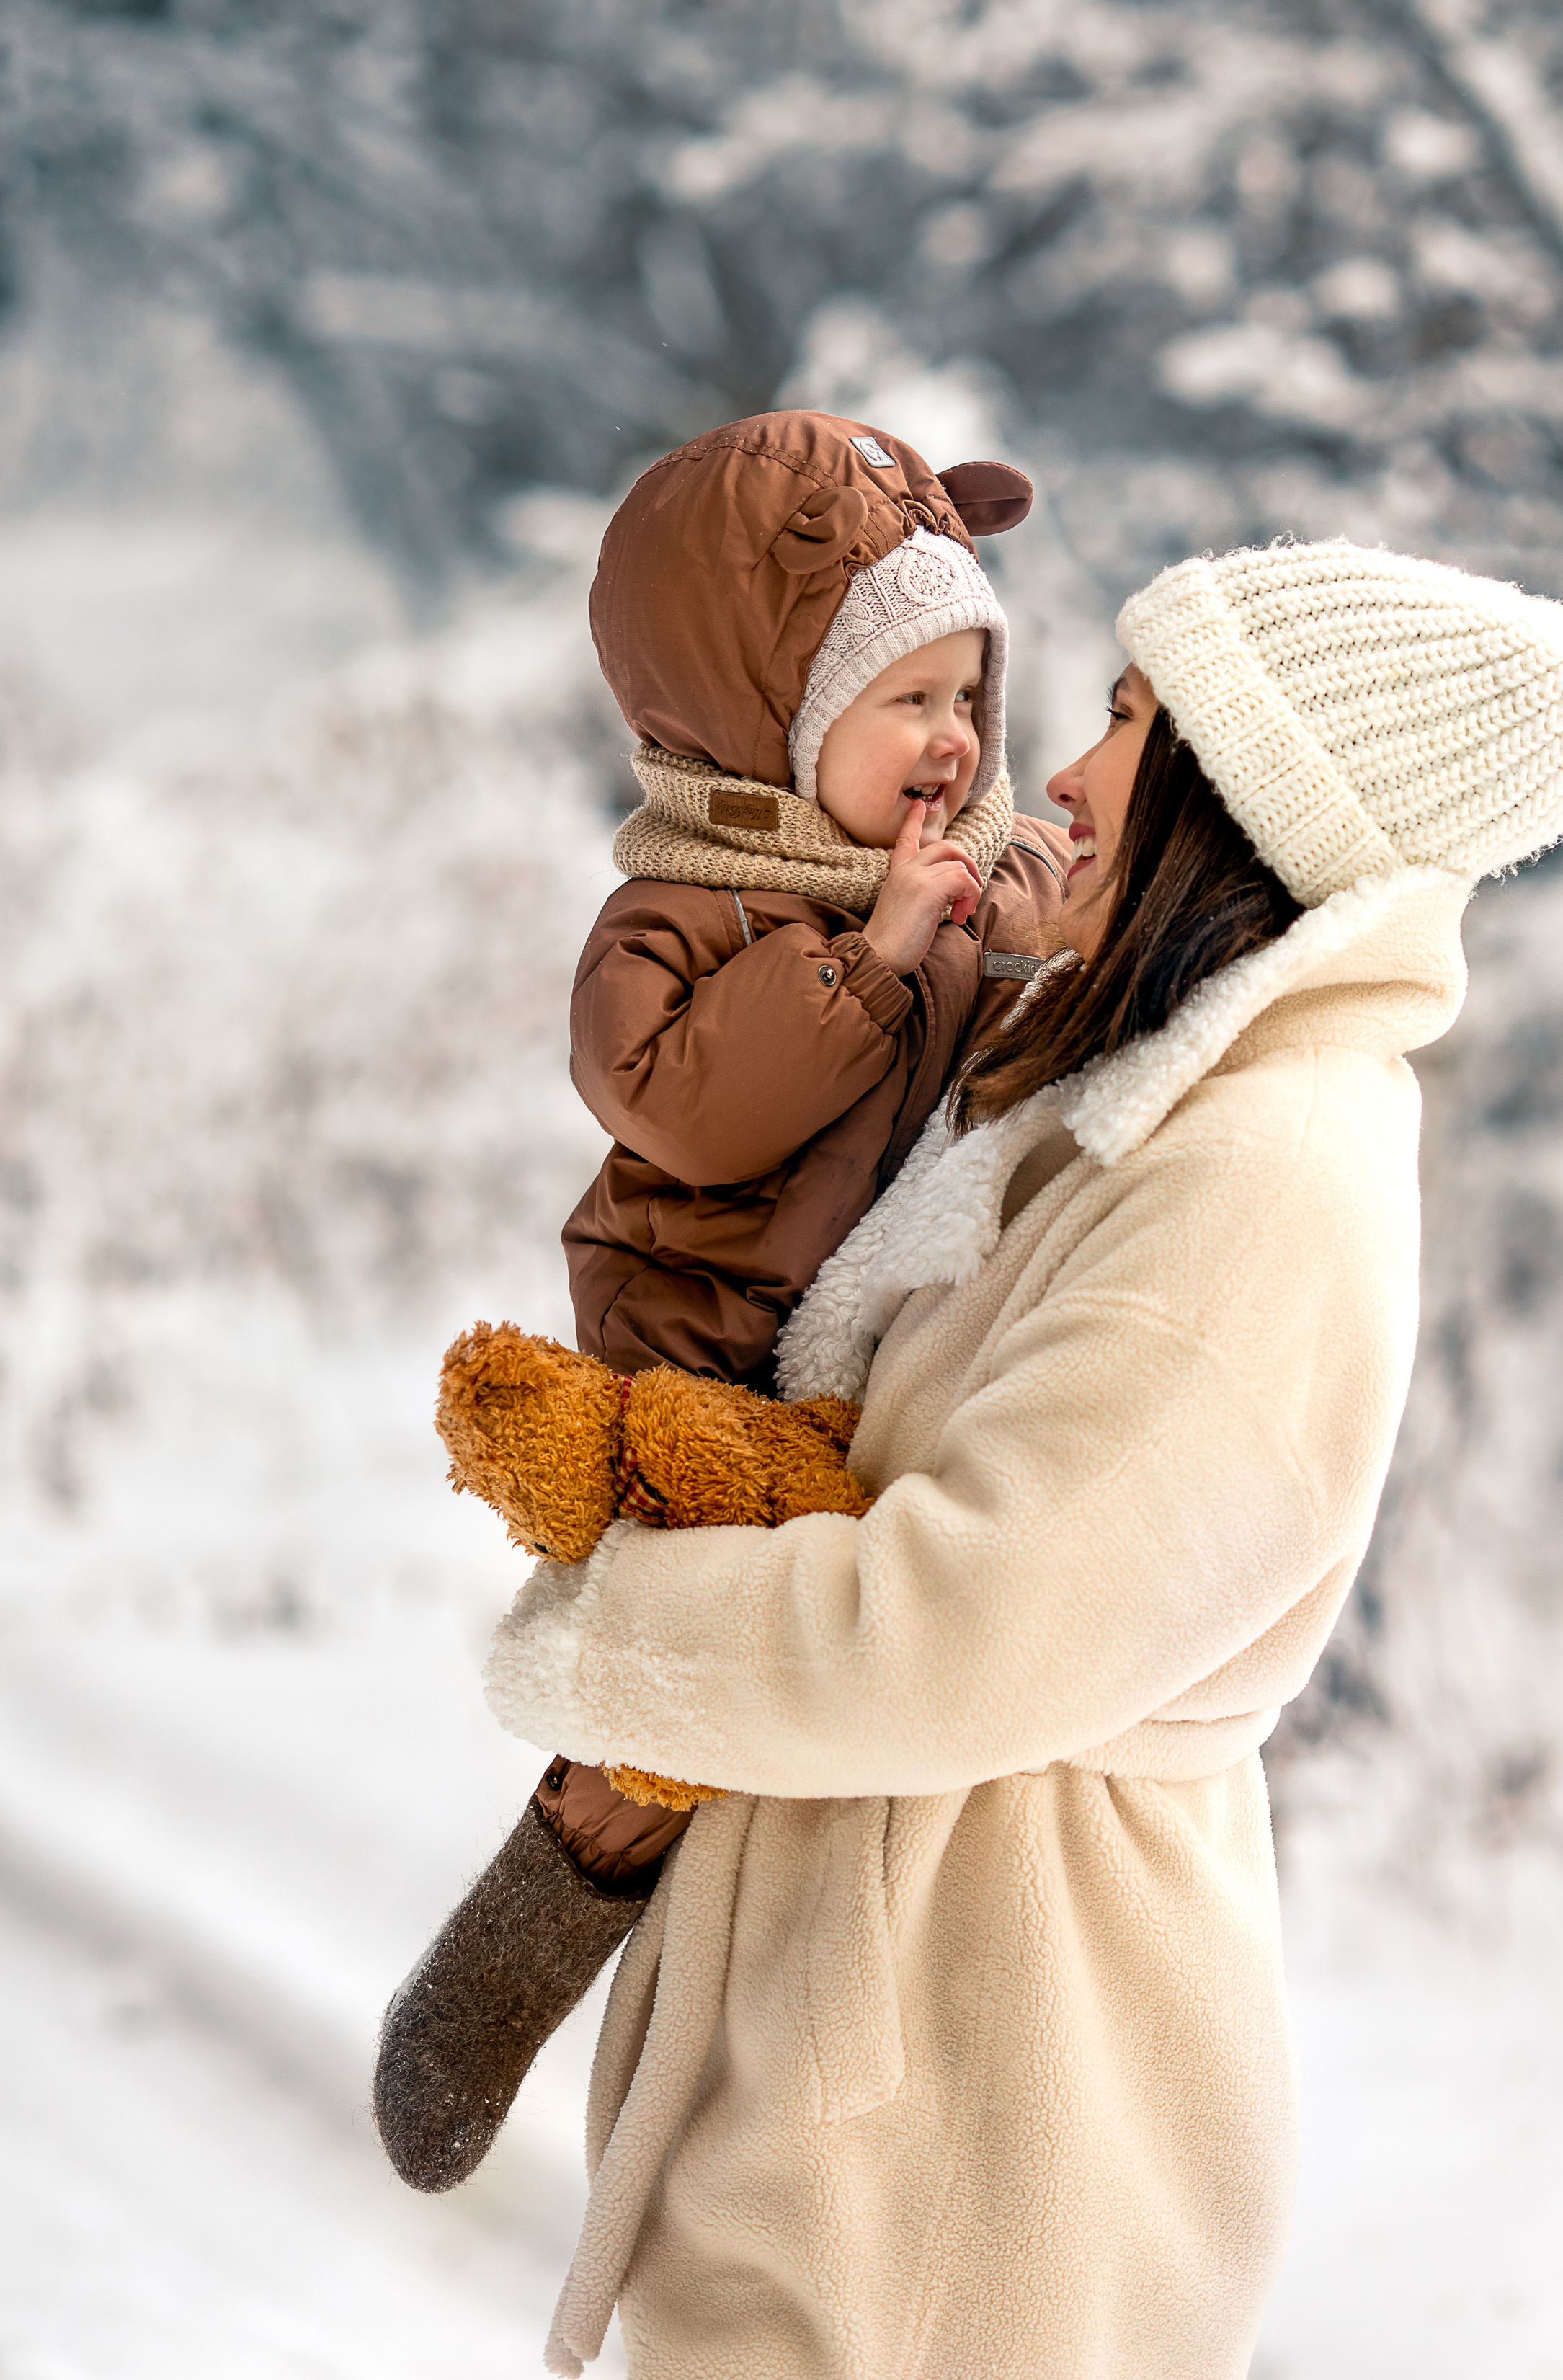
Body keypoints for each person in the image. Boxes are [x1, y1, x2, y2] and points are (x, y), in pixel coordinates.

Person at [483, 534, 1563, 2380]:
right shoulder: (1125, 1093)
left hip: (967, 2115)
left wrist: (610, 1629)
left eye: (1126, 724)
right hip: (893, 2076)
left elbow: (965, 1625)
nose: (1068, 776)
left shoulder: (1262, 1174)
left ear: (1241, 803)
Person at [373, 409, 1069, 2194]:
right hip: (684, 1339)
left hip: (830, 1348)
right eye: (900, 700)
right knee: (667, 1704)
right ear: (763, 719)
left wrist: (1034, 928)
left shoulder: (948, 872)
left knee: (773, 1704)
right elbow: (682, 1107)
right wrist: (872, 957)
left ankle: (777, 2086)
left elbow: (1043, 964)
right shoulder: (682, 911)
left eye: (967, 696)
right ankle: (524, 1942)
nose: (952, 741)